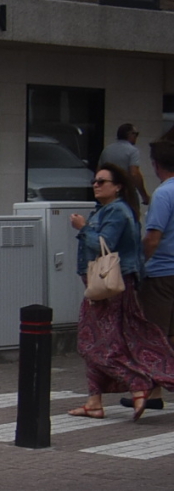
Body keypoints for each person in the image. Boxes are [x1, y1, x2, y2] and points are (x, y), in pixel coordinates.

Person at [67, 163, 174, 421]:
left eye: (102, 181)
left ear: (118, 187)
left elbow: (105, 244)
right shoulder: (107, 209)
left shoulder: (116, 211)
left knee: (93, 344)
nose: (96, 185)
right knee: (98, 341)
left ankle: (138, 383)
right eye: (95, 181)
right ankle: (94, 401)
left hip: (110, 288)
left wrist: (83, 228)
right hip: (103, 287)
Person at [144, 140, 174, 342]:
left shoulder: (163, 194)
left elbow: (152, 239)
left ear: (155, 164)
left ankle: (157, 373)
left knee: (155, 336)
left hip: (161, 274)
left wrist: (139, 264)